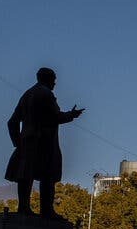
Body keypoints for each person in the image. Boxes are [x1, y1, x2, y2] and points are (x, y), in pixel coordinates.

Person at [5, 67, 84, 218]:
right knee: (48, 176)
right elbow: (55, 117)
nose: (55, 83)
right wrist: (71, 115)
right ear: (47, 79)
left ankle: (23, 207)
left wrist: (18, 142)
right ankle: (46, 210)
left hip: (27, 142)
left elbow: (12, 122)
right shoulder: (45, 94)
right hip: (44, 143)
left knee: (25, 175)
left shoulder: (27, 95)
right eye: (53, 79)